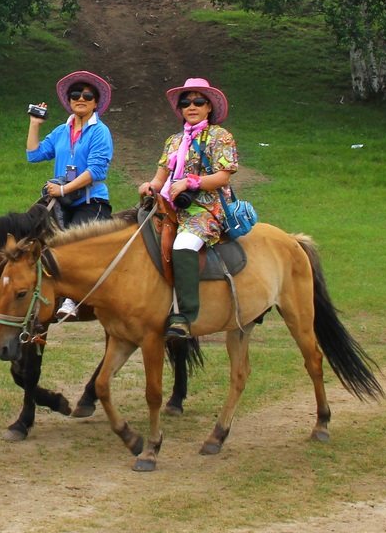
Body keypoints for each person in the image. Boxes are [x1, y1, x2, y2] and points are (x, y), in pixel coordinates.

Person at [137, 77, 240, 340]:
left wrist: (190, 182)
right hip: (170, 207)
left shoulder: (221, 136)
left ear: (209, 107)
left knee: (183, 245)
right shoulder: (173, 140)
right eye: (186, 102)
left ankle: (184, 315)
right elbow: (160, 178)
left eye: (198, 101)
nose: (191, 106)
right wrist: (149, 186)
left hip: (206, 209)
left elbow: (223, 177)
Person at [27, 70, 115, 318]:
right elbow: (34, 154)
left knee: (71, 245)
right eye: (76, 94)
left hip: (91, 200)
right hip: (62, 201)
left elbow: (96, 171)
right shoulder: (60, 131)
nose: (81, 98)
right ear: (69, 100)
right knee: (39, 241)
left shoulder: (100, 131)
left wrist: (64, 188)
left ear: (96, 102)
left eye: (88, 95)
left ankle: (71, 298)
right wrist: (34, 125)